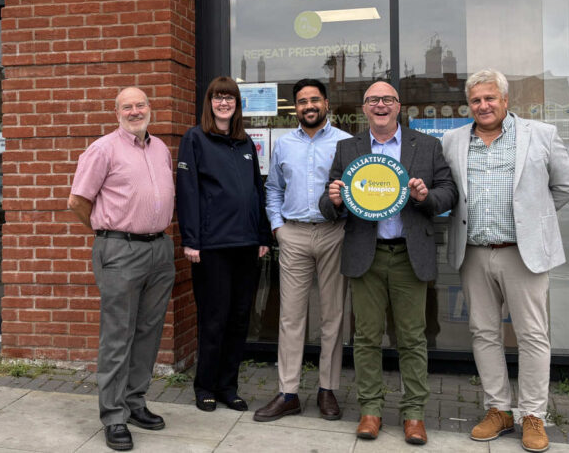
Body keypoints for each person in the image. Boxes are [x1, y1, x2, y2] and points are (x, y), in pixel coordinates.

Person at [441, 69, 569, 453]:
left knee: (533, 335)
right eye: (476, 101)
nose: (483, 106)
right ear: (469, 105)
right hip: (474, 252)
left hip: (523, 253)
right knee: (483, 333)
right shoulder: (453, 140)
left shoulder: (540, 135)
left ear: (505, 100)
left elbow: (565, 186)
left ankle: (532, 415)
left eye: (490, 98)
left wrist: (535, 222)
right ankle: (498, 409)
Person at [319, 81, 457, 446]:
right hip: (368, 254)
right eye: (373, 100)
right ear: (364, 109)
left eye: (387, 99)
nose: (380, 105)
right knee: (365, 338)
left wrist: (427, 197)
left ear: (399, 106)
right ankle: (371, 410)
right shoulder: (347, 148)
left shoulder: (426, 145)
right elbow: (329, 201)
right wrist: (333, 199)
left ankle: (414, 414)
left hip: (410, 255)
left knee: (413, 338)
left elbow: (449, 191)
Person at [68, 87, 175, 452]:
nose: (134, 111)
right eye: (126, 106)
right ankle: (113, 416)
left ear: (150, 108)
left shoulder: (160, 148)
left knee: (148, 332)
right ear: (116, 113)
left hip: (159, 249)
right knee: (117, 335)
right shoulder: (103, 149)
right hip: (120, 250)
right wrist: (108, 234)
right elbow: (78, 201)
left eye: (140, 104)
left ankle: (134, 402)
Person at [253, 79, 352, 423]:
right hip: (293, 234)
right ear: (295, 107)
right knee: (291, 317)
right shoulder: (283, 144)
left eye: (314, 99)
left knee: (332, 316)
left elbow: (356, 191)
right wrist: (278, 226)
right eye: (301, 101)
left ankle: (327, 389)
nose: (308, 105)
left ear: (326, 103)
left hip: (333, 234)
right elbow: (273, 190)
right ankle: (288, 392)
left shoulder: (345, 142)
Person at [176, 76, 272, 414]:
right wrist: (191, 240)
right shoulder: (195, 139)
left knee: (239, 318)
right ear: (209, 102)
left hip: (247, 244)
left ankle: (228, 387)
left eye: (229, 97)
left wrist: (263, 235)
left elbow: (256, 191)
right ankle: (205, 386)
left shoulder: (245, 143)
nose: (223, 102)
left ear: (237, 104)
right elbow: (187, 192)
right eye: (218, 97)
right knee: (214, 319)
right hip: (212, 246)